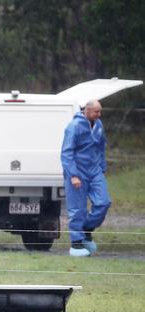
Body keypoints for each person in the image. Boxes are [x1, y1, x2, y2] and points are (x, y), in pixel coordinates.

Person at [60, 99, 111, 257]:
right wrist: (73, 175)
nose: (99, 114)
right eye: (96, 111)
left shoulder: (98, 125)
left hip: (95, 171)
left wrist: (102, 166)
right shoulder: (73, 127)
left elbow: (101, 146)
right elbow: (66, 153)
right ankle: (76, 243)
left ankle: (87, 229)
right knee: (77, 209)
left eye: (100, 111)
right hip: (78, 172)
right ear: (87, 111)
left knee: (104, 202)